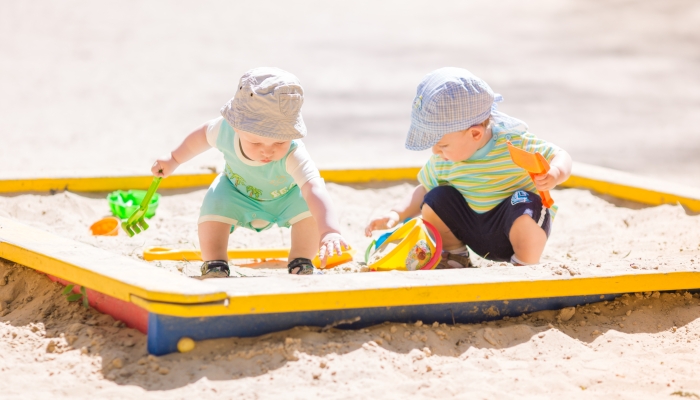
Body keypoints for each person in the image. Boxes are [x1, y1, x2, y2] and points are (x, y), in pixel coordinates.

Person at [365, 67, 572, 268]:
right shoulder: (443, 161)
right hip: (473, 229)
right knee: (436, 198)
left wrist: (555, 173)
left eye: (443, 145)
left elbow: (560, 155)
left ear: (475, 134)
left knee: (525, 202)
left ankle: (524, 263)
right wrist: (396, 214)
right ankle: (455, 255)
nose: (435, 152)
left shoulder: (514, 144)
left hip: (513, 229)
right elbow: (423, 190)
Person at [152, 67, 348, 278]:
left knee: (307, 207)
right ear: (236, 126)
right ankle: (215, 261)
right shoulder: (225, 129)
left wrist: (329, 231)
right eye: (255, 141)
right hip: (236, 192)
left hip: (285, 197)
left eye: (280, 141)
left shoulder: (293, 152)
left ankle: (301, 259)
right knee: (215, 201)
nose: (268, 149)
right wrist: (174, 159)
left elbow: (314, 188)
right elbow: (199, 138)